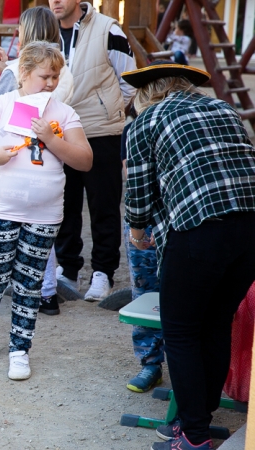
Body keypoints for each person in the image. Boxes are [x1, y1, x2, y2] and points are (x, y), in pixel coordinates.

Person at [122, 62, 255, 450]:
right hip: (250, 229)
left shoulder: (147, 121)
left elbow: (139, 192)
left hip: (199, 229)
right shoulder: (225, 108)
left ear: (146, 94)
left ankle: (193, 436)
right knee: (214, 325)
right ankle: (195, 418)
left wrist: (137, 233)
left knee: (180, 331)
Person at [0, 41, 92, 380]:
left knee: (29, 283)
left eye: (56, 77)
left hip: (44, 214)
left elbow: (85, 160)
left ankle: (19, 350)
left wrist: (51, 139)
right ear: (25, 73)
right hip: (0, 207)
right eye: (44, 76)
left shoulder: (63, 112)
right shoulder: (2, 103)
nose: (50, 83)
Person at [0, 6, 75, 317]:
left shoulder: (16, 72)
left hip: (11, 158)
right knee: (42, 230)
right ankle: (47, 292)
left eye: (20, 29)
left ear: (26, 32)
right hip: (48, 157)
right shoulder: (64, 71)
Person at [49, 0, 136, 301]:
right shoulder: (47, 31)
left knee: (104, 204)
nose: (55, 2)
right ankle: (68, 269)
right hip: (60, 133)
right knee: (64, 205)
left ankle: (103, 273)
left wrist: (109, 112)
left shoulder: (107, 29)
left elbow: (130, 80)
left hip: (100, 131)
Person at [119, 119, 164, 394]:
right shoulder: (134, 128)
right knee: (145, 289)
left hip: (186, 214)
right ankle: (151, 362)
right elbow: (131, 176)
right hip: (144, 215)